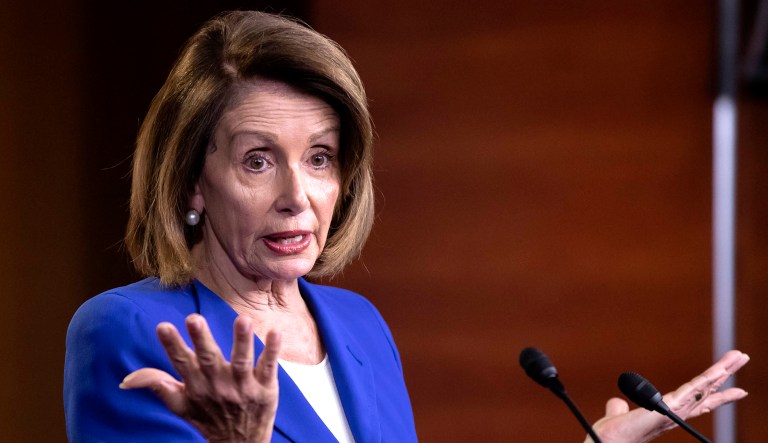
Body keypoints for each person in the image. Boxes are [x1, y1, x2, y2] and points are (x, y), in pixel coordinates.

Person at [64, 10, 748, 443]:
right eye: (258, 160)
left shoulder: (359, 324)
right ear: (191, 181)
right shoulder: (128, 332)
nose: (296, 195)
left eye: (321, 158)